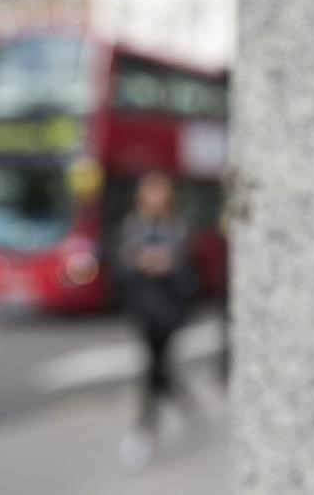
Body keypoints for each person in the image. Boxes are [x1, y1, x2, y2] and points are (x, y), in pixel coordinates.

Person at [116, 172, 197, 472]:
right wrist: (140, 261)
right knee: (158, 366)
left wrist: (168, 264)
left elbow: (188, 271)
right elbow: (122, 264)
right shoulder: (132, 225)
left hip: (169, 310)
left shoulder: (177, 226)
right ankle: (187, 408)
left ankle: (143, 432)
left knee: (153, 368)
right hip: (143, 309)